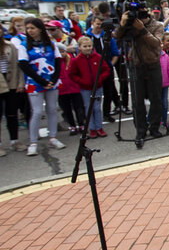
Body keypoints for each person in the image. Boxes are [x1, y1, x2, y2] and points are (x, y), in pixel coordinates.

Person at [115, 0, 165, 144]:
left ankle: (155, 127)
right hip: (136, 64)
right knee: (137, 101)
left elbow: (156, 43)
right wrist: (123, 23)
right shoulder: (130, 25)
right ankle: (140, 130)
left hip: (153, 64)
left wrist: (142, 29)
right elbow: (117, 36)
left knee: (156, 98)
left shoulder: (157, 25)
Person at [17, 18, 66, 155]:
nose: (30, 31)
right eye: (28, 28)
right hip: (34, 83)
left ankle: (53, 137)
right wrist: (42, 81)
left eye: (32, 28)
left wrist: (54, 79)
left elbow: (57, 62)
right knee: (37, 112)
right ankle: (33, 142)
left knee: (52, 109)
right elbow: (24, 65)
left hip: (52, 81)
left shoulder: (50, 44)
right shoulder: (23, 45)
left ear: (40, 29)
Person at [68, 36, 111, 138]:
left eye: (89, 46)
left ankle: (99, 127)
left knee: (97, 108)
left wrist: (100, 79)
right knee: (89, 108)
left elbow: (106, 69)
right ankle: (92, 128)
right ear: (80, 47)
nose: (87, 48)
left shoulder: (98, 57)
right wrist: (82, 82)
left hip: (98, 87)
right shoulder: (76, 61)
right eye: (85, 46)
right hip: (85, 88)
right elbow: (72, 74)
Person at [0, 31, 25, 155]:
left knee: (12, 114)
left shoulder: (10, 46)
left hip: (11, 82)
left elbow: (18, 66)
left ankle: (14, 140)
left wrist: (20, 83)